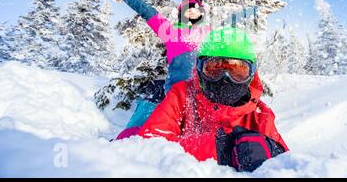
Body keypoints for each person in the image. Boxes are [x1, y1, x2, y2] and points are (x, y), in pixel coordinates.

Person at [116, 26, 288, 172]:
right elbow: (151, 146)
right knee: (129, 134)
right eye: (213, 68)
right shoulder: (182, 95)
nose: (225, 78)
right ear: (199, 69)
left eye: (237, 71)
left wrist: (273, 150)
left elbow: (289, 166)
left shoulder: (260, 114)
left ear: (251, 75)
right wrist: (220, 150)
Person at [107, 0, 212, 128]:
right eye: (187, 7)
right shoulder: (171, 32)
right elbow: (149, 13)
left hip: (204, 96)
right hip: (176, 96)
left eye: (195, 7)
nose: (191, 10)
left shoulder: (211, 34)